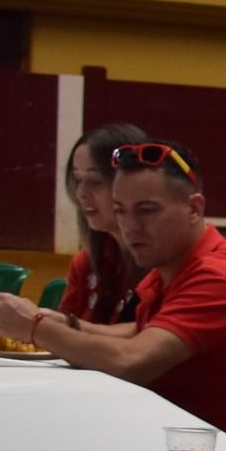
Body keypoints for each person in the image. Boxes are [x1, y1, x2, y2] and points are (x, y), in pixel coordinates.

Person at [0, 141, 226, 440]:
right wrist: (63, 323)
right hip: (189, 444)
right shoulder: (175, 267)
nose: (130, 226)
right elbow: (142, 333)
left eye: (146, 210)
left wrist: (34, 328)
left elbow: (131, 362)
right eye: (120, 210)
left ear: (194, 209)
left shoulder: (219, 278)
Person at [57, 120, 149, 323]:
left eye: (95, 182)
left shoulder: (166, 269)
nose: (81, 194)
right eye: (77, 180)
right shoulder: (87, 262)